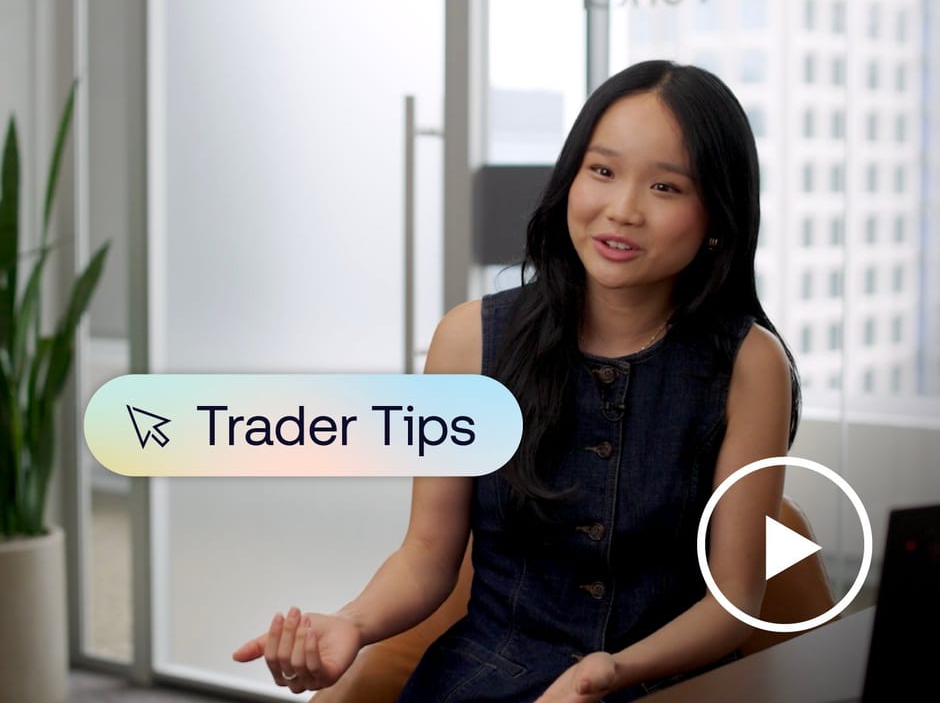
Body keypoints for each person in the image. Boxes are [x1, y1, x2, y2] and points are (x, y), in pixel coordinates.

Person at [232, 59, 800, 702]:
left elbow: (734, 602)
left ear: (716, 215)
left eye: (666, 188)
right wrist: (353, 623)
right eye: (602, 171)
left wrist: (611, 671)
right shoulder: (468, 341)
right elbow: (426, 553)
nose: (622, 210)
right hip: (481, 680)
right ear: (569, 180)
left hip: (657, 682)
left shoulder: (751, 363)